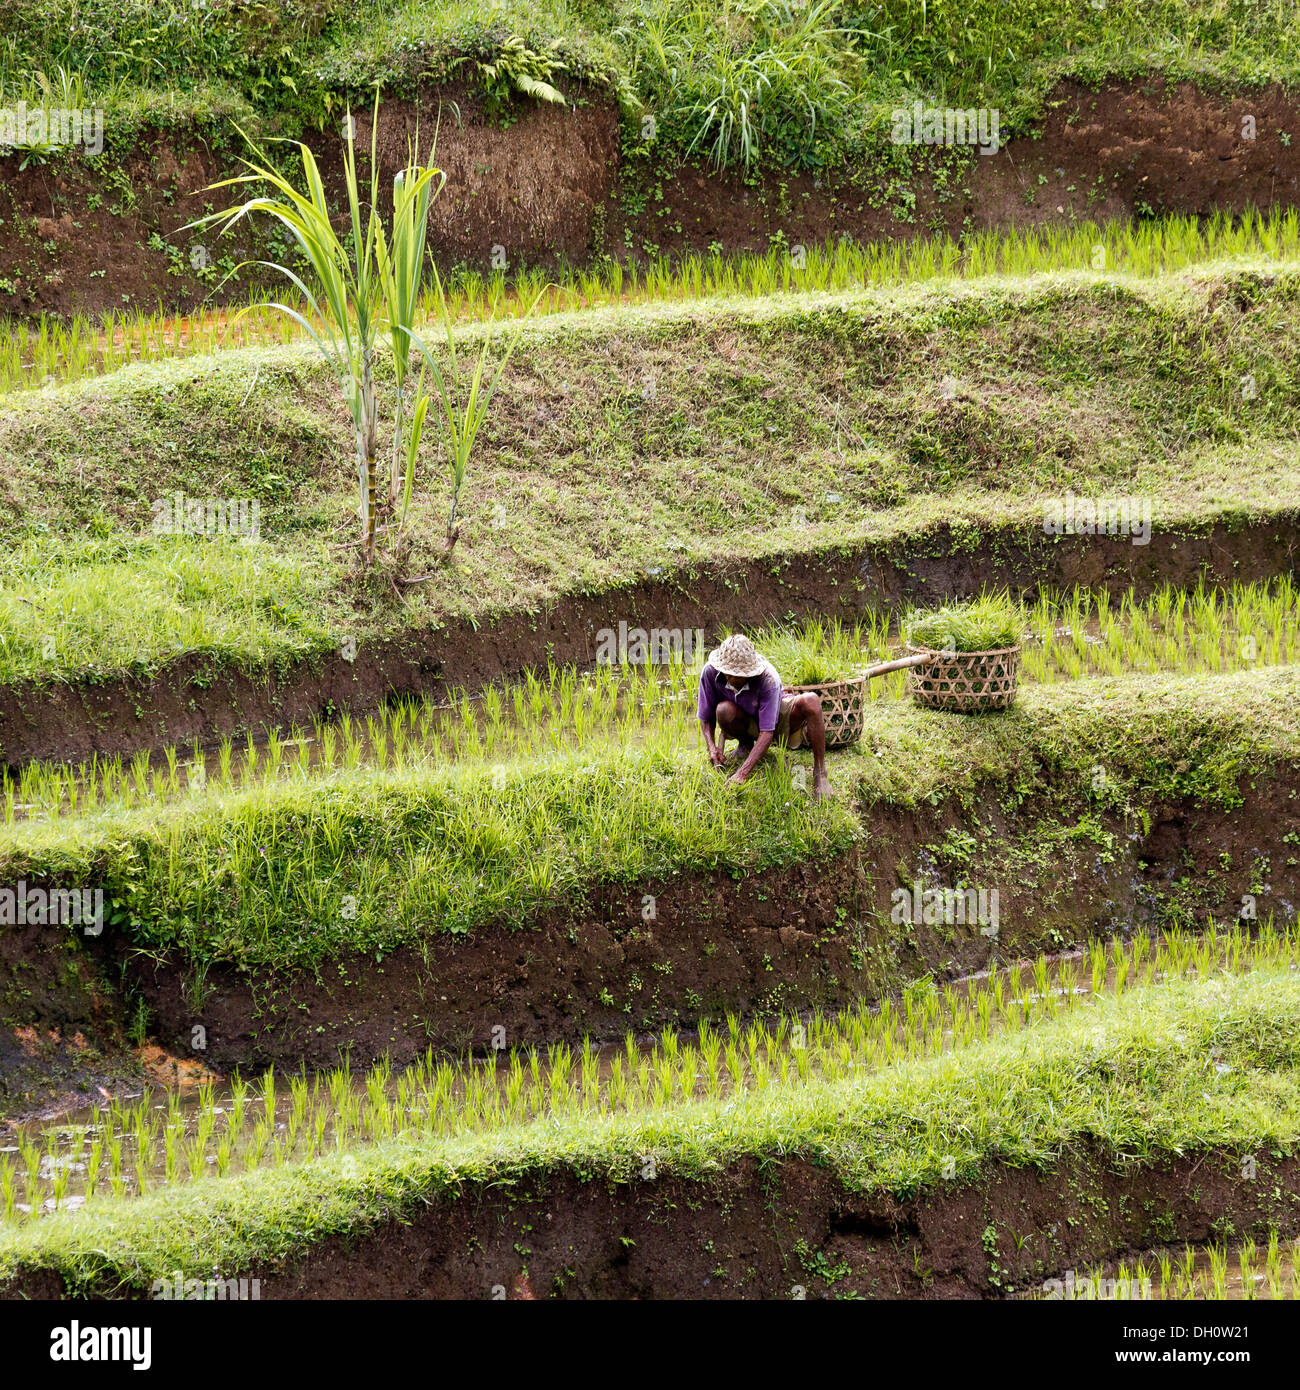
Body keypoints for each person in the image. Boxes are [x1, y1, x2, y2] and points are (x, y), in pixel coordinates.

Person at [697, 634, 830, 798]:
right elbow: (705, 716)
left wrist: (741, 774)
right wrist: (712, 748)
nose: (733, 678)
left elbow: (767, 732)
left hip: (775, 720)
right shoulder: (709, 673)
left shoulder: (768, 679)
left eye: (739, 675)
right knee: (723, 710)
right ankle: (745, 745)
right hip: (742, 720)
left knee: (811, 701)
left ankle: (820, 771)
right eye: (729, 673)